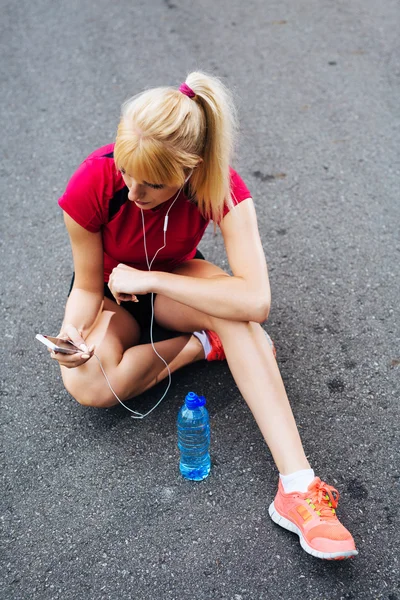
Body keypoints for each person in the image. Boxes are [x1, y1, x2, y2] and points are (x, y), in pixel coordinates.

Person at [53, 72, 357, 560]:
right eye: (127, 173)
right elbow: (87, 286)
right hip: (113, 296)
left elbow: (257, 300)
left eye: (151, 185)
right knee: (89, 385)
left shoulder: (221, 185)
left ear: (188, 169)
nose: (132, 191)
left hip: (173, 281)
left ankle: (299, 488)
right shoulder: (94, 180)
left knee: (239, 317)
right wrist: (72, 331)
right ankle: (201, 345)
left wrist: (152, 280)